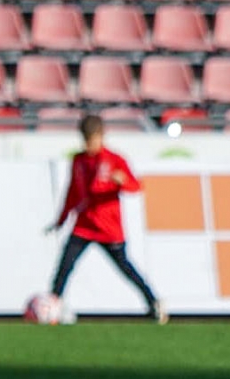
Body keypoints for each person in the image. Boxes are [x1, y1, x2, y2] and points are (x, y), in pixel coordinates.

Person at [46, 114, 167, 323]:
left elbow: (136, 186)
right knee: (65, 265)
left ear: (101, 137)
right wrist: (61, 219)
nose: (89, 144)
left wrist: (122, 181)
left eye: (92, 140)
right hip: (84, 224)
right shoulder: (78, 160)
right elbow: (72, 192)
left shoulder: (114, 160)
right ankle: (52, 307)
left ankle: (154, 303)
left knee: (126, 268)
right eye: (86, 140)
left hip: (109, 228)